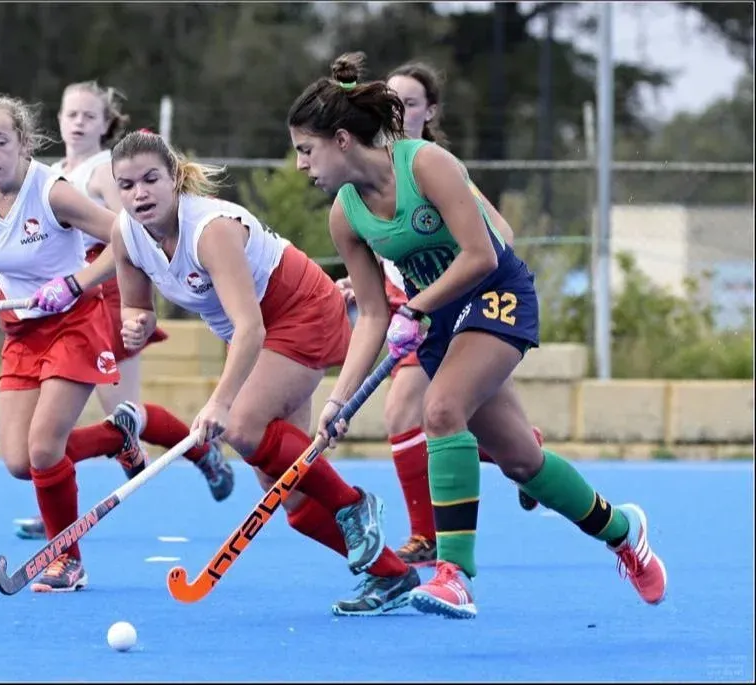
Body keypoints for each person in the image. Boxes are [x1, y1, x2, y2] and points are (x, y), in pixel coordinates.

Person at [288, 52, 667, 619]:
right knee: (521, 461)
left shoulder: (426, 165)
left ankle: (455, 575)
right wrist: (337, 401)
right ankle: (623, 532)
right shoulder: (345, 216)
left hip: (496, 293)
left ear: (341, 140)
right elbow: (371, 316)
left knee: (440, 411)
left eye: (305, 150)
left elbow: (483, 253)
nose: (300, 165)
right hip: (442, 323)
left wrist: (416, 305)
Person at [108, 129, 421, 616]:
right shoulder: (126, 235)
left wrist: (220, 402)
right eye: (127, 185)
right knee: (290, 497)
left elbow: (249, 327)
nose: (140, 194)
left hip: (301, 311)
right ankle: (391, 574)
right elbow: (137, 307)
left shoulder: (210, 230)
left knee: (242, 427)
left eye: (151, 179)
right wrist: (137, 323)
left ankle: (353, 505)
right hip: (254, 333)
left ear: (174, 179)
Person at [0, 93, 145, 593]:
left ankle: (67, 559)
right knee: (21, 462)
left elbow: (126, 238)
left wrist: (76, 283)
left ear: (23, 143)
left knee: (44, 449)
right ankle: (116, 437)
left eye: (1, 141)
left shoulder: (53, 192)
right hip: (22, 329)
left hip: (74, 321)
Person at [1, 81, 235, 540]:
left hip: (103, 293)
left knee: (123, 412)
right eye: (71, 114)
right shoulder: (49, 172)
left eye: (89, 115)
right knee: (75, 424)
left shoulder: (105, 172)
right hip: (58, 303)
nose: (78, 123)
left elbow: (129, 233)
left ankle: (200, 451)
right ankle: (55, 500)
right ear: (58, 120)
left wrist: (95, 285)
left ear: (106, 124)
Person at [332, 59, 543, 567]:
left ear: (429, 112)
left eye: (409, 104)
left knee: (411, 410)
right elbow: (392, 249)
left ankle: (433, 539)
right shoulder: (361, 185)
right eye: (391, 102)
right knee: (467, 427)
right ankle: (515, 455)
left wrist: (436, 293)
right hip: (412, 309)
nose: (397, 112)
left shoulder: (433, 166)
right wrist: (371, 284)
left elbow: (498, 236)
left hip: (458, 306)